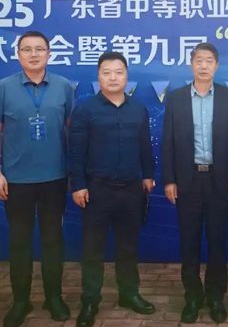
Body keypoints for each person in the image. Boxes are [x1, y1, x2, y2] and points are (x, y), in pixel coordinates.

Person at [0, 31, 75, 327]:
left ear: (49, 53)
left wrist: (74, 172)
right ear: (18, 54)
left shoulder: (63, 86)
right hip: (16, 180)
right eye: (27, 49)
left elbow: (71, 130)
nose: (33, 54)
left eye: (39, 49)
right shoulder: (3, 88)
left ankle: (54, 298)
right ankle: (21, 301)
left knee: (53, 240)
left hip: (55, 178)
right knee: (19, 242)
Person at [68, 51, 156, 327]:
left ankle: (129, 294)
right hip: (97, 190)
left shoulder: (138, 109)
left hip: (131, 189)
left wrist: (148, 175)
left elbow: (145, 146)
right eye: (107, 72)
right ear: (99, 76)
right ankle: (90, 301)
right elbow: (76, 152)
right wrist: (78, 185)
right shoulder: (85, 109)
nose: (113, 77)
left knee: (128, 247)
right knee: (92, 250)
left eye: (119, 72)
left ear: (126, 76)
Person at [161, 42, 228, 324]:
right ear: (191, 64)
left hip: (219, 180)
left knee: (218, 241)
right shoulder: (176, 98)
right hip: (188, 179)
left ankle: (216, 297)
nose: (204, 65)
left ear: (216, 65)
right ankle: (193, 297)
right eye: (199, 60)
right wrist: (169, 180)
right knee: (189, 241)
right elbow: (168, 142)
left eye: (209, 60)